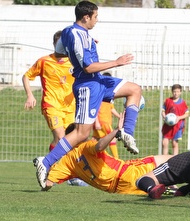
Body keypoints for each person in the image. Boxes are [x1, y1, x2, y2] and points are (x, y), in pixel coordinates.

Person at [33, 1, 142, 189]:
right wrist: (116, 62)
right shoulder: (78, 35)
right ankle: (47, 162)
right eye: (95, 16)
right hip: (88, 85)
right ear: (86, 17)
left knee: (134, 89)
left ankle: (127, 132)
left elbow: (59, 52)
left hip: (98, 81)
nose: (97, 20)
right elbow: (88, 67)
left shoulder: (68, 32)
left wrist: (85, 46)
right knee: (82, 133)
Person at [42, 112, 173, 194]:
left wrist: (44, 185)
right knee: (171, 160)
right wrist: (117, 130)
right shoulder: (86, 146)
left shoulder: (65, 163)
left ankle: (176, 190)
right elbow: (99, 146)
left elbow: (48, 183)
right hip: (125, 171)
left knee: (158, 187)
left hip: (119, 190)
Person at [22, 30, 75, 152]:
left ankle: (56, 168)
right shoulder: (44, 61)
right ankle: (50, 166)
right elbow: (26, 76)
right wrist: (30, 95)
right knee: (61, 137)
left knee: (67, 141)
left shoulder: (74, 62)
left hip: (70, 108)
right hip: (51, 105)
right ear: (54, 44)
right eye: (59, 44)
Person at [92, 72, 121, 158]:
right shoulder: (99, 93)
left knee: (95, 139)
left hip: (104, 122)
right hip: (102, 121)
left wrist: (119, 116)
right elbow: (95, 108)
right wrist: (96, 121)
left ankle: (90, 156)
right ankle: (117, 158)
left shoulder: (108, 93)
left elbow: (111, 108)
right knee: (112, 138)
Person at [161, 84, 189, 155]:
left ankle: (174, 159)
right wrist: (164, 116)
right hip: (167, 126)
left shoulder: (182, 103)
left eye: (177, 91)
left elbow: (187, 114)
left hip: (177, 126)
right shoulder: (168, 101)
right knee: (164, 143)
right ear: (172, 92)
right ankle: (164, 159)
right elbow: (163, 110)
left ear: (180, 92)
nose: (176, 93)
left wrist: (179, 117)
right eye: (174, 91)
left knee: (174, 143)